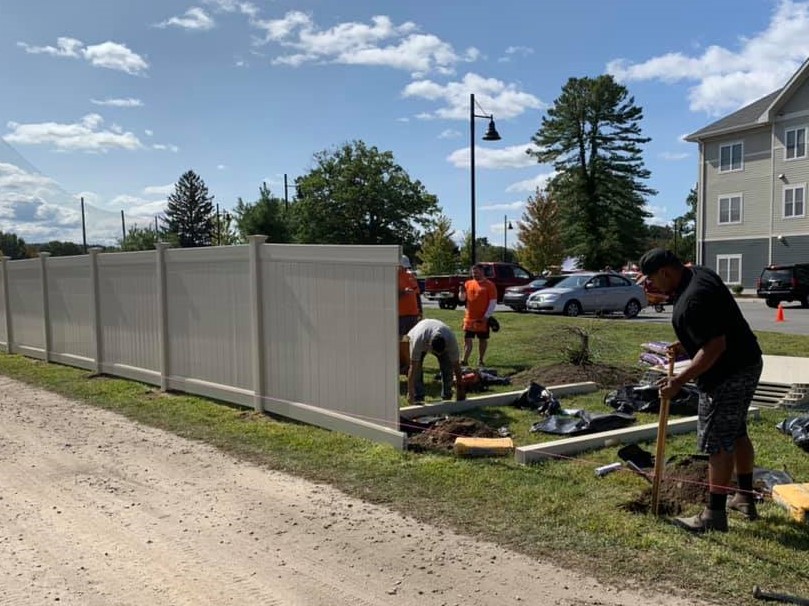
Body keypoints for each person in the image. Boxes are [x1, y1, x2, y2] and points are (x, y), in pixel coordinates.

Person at [639, 248, 763, 533]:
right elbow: (716, 323)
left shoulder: (692, 300)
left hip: (726, 374)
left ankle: (713, 515)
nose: (652, 286)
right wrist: (687, 341)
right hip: (748, 361)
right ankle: (743, 496)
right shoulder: (700, 274)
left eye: (652, 279)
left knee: (718, 443)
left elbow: (715, 346)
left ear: (665, 272)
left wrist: (679, 381)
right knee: (737, 431)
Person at [406, 318, 466, 405]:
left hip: (438, 334)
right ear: (429, 345)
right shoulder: (418, 340)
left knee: (447, 366)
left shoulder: (451, 340)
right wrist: (410, 392)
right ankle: (417, 396)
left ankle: (447, 396)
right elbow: (413, 368)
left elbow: (456, 366)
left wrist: (460, 388)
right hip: (420, 330)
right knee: (417, 368)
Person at [457, 264, 498, 367]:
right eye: (473, 273)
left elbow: (493, 302)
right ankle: (464, 360)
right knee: (467, 340)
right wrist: (461, 292)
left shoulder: (489, 285)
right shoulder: (468, 283)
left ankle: (480, 360)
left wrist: (486, 316)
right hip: (469, 318)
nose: (474, 275)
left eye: (477, 272)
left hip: (482, 319)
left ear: (482, 272)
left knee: (482, 339)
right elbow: (462, 299)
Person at [398, 255, 422, 337]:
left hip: (413, 315)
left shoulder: (411, 276)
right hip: (401, 316)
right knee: (401, 340)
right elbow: (392, 296)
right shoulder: (394, 277)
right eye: (403, 267)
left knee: (412, 339)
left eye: (406, 267)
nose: (405, 269)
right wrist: (404, 292)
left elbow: (417, 294)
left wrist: (420, 311)